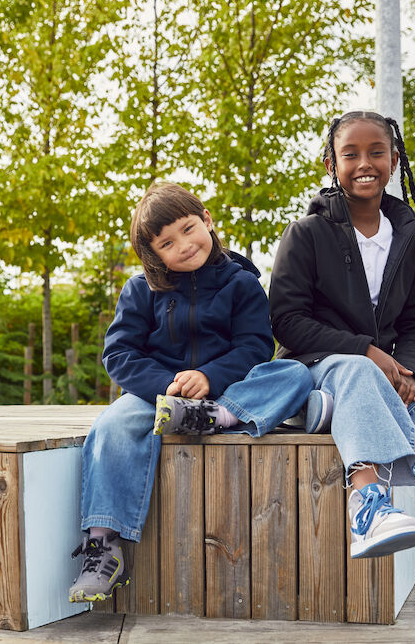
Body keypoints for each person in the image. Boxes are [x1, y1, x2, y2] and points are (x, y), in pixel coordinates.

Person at [69, 182, 323, 603]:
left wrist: (208, 377)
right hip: (160, 400)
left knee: (294, 372)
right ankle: (103, 545)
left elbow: (254, 347)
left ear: (206, 219)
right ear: (155, 255)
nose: (184, 245)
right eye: (167, 243)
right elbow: (119, 354)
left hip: (225, 393)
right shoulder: (140, 290)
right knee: (111, 425)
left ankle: (216, 419)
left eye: (188, 229)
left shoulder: (242, 285)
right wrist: (166, 386)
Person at [269, 111, 415, 559]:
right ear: (330, 164)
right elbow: (286, 321)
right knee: (358, 371)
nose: (365, 163)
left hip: (382, 375)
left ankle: (337, 417)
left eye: (377, 152)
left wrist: (411, 372)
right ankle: (371, 507)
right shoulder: (306, 234)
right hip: (316, 366)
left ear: (393, 161)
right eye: (350, 154)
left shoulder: (412, 243)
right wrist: (368, 352)